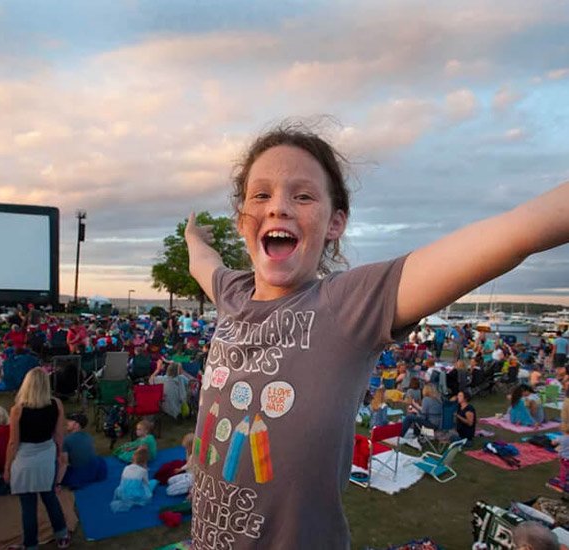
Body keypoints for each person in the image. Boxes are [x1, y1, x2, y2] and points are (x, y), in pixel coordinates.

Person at [183, 123, 569, 549]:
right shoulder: (231, 293)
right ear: (242, 221)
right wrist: (191, 238)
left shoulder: (346, 304)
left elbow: (517, 234)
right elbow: (203, 262)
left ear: (335, 223)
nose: (278, 208)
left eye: (304, 195)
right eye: (261, 195)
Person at [4, 367, 70, 550]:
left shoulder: (18, 410)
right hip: (46, 456)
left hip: (24, 459)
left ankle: (31, 544)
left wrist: (7, 467)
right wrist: (59, 455)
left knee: (28, 506)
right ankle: (62, 535)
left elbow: (13, 443)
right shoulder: (56, 404)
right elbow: (59, 435)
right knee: (50, 497)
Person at [58, 412, 107, 489]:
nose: (67, 422)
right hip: (95, 472)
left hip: (79, 476)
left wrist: (58, 483)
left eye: (70, 421)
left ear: (76, 425)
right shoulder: (88, 436)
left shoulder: (66, 440)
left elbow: (64, 464)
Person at [110, 446, 157, 513]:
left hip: (122, 492)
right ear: (145, 460)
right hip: (136, 494)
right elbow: (146, 483)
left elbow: (122, 481)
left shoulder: (126, 467)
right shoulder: (143, 471)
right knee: (153, 483)